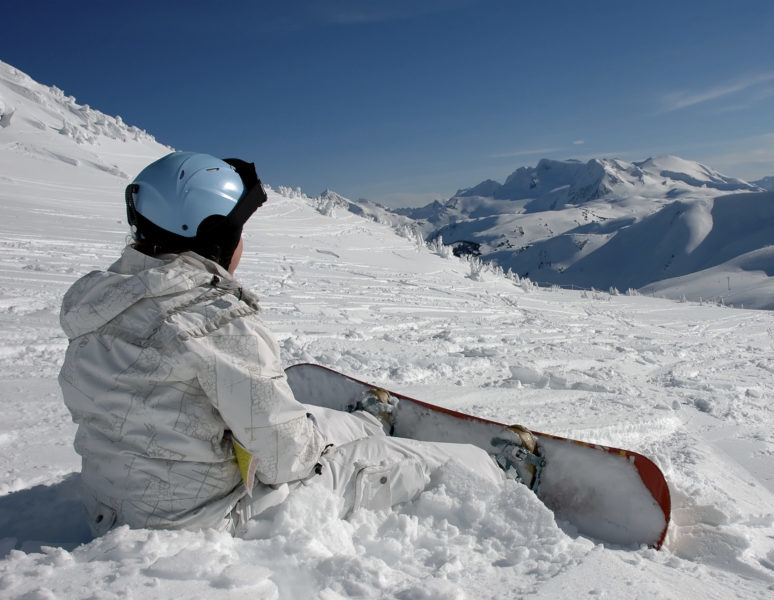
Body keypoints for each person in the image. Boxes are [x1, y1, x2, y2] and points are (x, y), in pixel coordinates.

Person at [58, 152, 537, 536]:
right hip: (201, 522)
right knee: (375, 464)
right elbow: (288, 460)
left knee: (303, 421)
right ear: (214, 236)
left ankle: (366, 423)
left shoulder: (99, 305)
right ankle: (498, 474)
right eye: (239, 229)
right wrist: (318, 445)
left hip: (111, 510)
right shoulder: (212, 322)